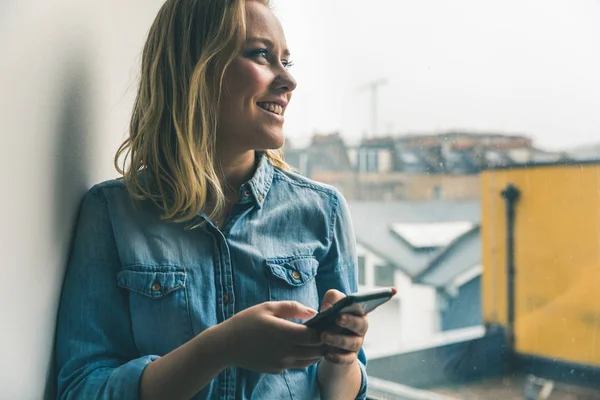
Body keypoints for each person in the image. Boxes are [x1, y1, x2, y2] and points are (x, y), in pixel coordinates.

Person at [55, 0, 369, 399]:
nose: (288, 82)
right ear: (196, 67)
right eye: (261, 55)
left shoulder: (322, 212)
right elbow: (82, 389)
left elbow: (347, 389)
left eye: (286, 62)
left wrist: (340, 360)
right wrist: (223, 346)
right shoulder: (112, 214)